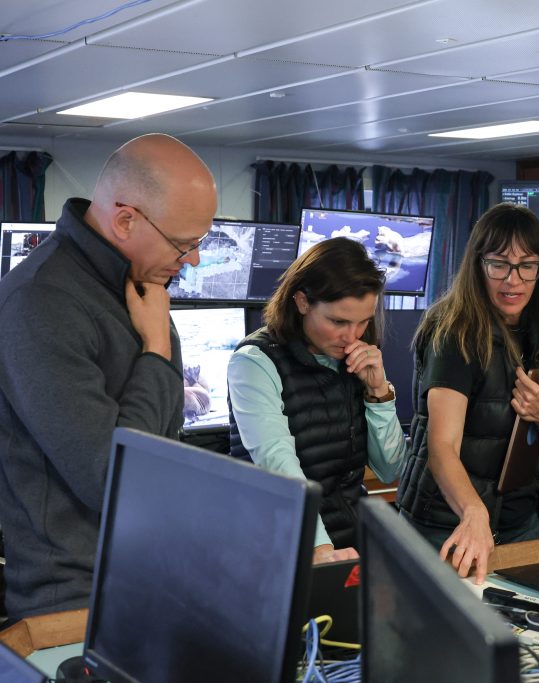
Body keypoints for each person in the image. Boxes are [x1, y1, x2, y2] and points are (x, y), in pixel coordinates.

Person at [0, 134, 217, 620]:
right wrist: (157, 353)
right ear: (125, 220)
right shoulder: (40, 302)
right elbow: (113, 478)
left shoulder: (136, 284)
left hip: (147, 575)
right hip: (76, 604)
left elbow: (163, 442)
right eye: (186, 245)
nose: (195, 260)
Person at [396, 203, 539, 584]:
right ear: (478, 266)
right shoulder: (455, 332)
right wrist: (473, 513)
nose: (513, 280)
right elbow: (441, 447)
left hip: (522, 518)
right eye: (499, 264)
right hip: (447, 521)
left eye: (527, 266)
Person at [227, 237, 406, 564]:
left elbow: (389, 469)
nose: (352, 336)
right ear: (302, 302)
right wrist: (319, 549)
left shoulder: (354, 359)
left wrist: (378, 394)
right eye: (338, 321)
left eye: (363, 321)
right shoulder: (254, 361)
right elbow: (275, 459)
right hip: (279, 547)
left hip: (348, 543)